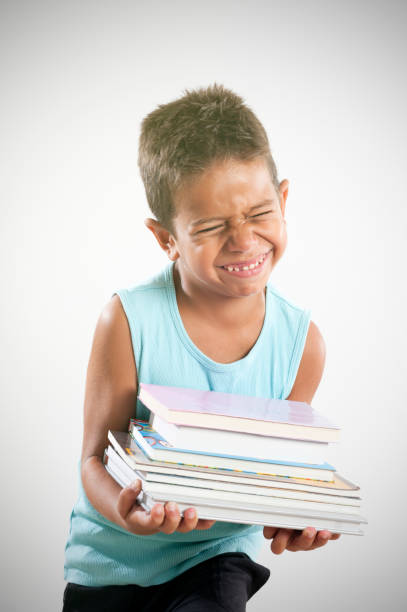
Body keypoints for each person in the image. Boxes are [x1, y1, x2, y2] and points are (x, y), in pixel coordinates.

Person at [63, 85, 340, 611]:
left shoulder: (302, 344)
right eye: (211, 226)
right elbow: (95, 458)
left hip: (215, 556)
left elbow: (273, 475)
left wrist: (296, 518)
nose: (243, 240)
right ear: (166, 238)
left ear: (283, 200)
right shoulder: (127, 320)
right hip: (107, 563)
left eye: (260, 213)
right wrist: (130, 513)